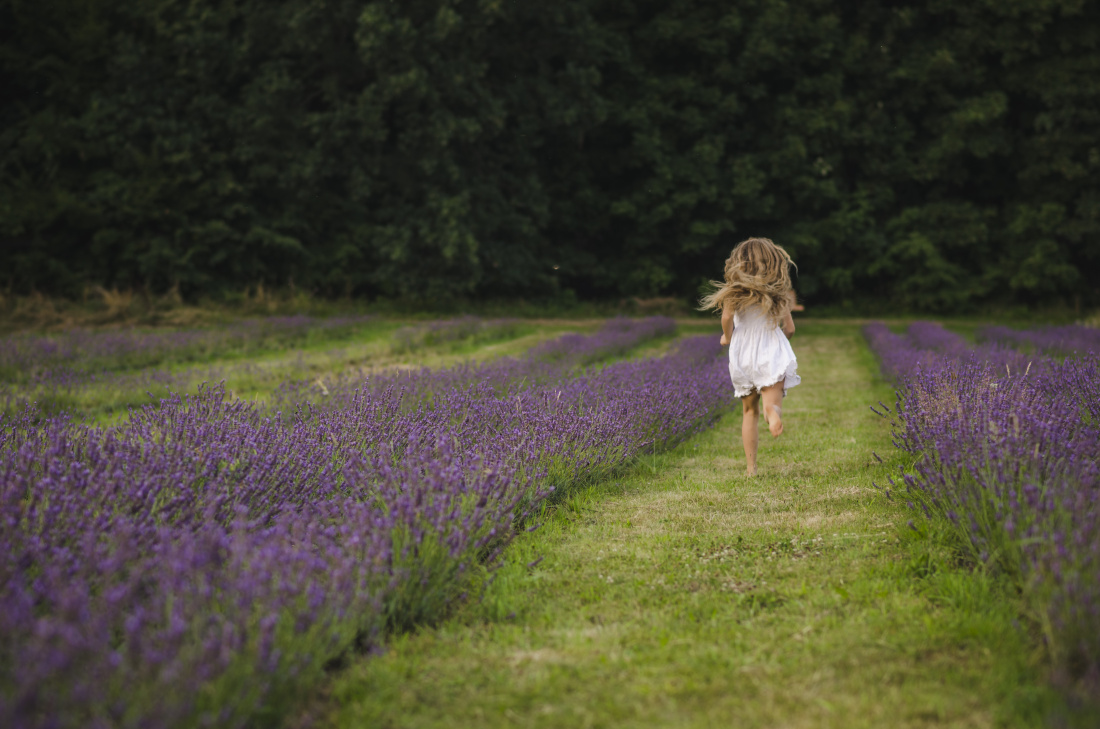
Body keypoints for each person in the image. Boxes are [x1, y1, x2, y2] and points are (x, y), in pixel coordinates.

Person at [699, 237, 800, 476]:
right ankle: (772, 414)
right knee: (771, 403)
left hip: (743, 352)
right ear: (773, 262)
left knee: (749, 412)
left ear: (739, 263)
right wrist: (781, 341)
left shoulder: (734, 292)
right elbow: (790, 328)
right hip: (770, 349)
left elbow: (726, 318)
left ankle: (751, 468)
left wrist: (727, 337)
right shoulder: (779, 293)